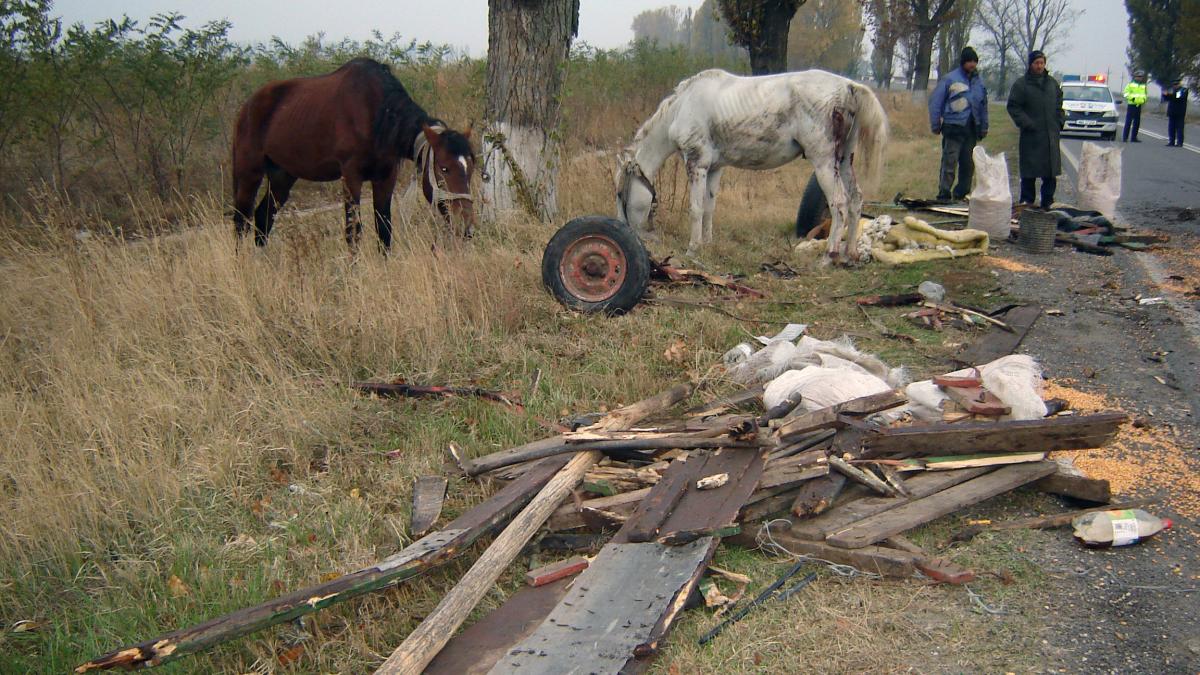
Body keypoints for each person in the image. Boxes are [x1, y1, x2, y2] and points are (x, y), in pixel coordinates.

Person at [929, 46, 989, 202]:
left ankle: (962, 193)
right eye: (969, 61)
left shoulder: (979, 83)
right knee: (949, 162)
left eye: (975, 62)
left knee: (968, 164)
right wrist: (935, 124)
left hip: (971, 129)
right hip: (953, 127)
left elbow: (983, 106)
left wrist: (984, 126)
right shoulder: (950, 79)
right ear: (963, 62)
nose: (972, 65)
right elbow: (936, 102)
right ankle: (944, 193)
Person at [1006, 50, 1064, 210]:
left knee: (1050, 174)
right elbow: (1013, 106)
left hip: (1050, 136)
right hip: (1031, 136)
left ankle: (1048, 203)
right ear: (1031, 64)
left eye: (1042, 63)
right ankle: (1027, 203)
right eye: (1036, 63)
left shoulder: (1052, 84)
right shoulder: (1021, 84)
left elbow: (1060, 105)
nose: (1039, 66)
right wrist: (1026, 123)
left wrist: (1059, 122)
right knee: (1029, 173)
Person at [1122, 72, 1148, 142]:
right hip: (1132, 105)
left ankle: (1134, 138)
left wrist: (1144, 100)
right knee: (1128, 122)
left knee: (1137, 123)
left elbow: (1145, 95)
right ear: (1135, 77)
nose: (1140, 78)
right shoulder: (1130, 85)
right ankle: (1125, 137)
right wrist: (1132, 99)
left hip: (1139, 106)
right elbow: (1125, 94)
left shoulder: (1143, 86)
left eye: (1141, 77)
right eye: (1138, 76)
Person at [1167, 80, 1188, 147]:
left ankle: (1179, 142)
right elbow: (1167, 97)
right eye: (1174, 84)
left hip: (1180, 113)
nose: (1175, 86)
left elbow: (1178, 97)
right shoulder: (1172, 90)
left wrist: (1170, 94)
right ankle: (1171, 141)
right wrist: (1166, 94)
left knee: (1179, 128)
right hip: (1172, 112)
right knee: (1171, 128)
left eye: (1177, 84)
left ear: (1180, 84)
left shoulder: (1184, 90)